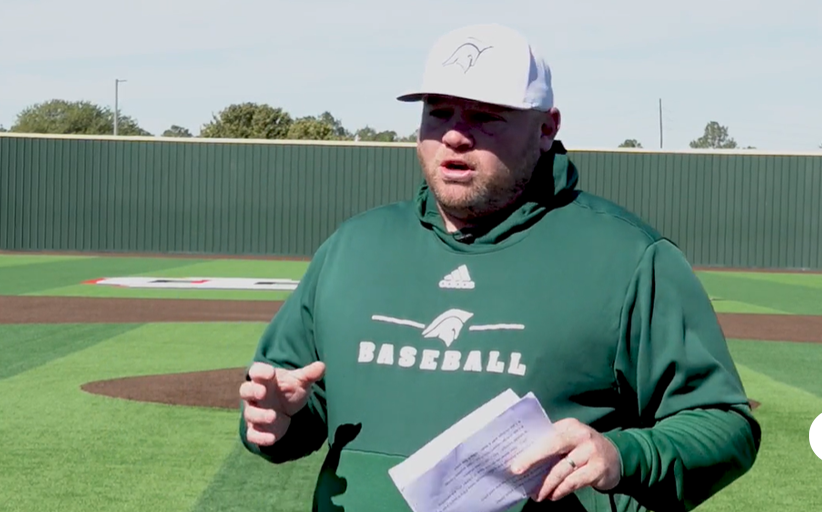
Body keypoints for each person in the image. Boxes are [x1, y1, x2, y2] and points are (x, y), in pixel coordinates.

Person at [238, 23, 761, 512]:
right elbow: (293, 403)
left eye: (486, 116)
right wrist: (276, 421)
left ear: (546, 128)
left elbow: (722, 424)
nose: (456, 136)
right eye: (439, 112)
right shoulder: (355, 246)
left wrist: (622, 455)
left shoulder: (628, 258)